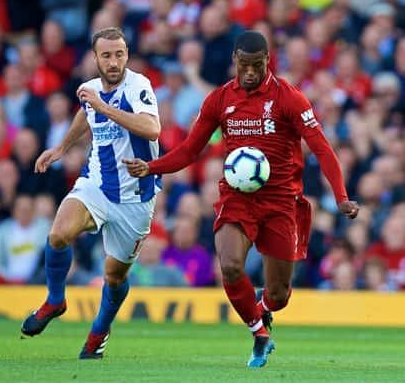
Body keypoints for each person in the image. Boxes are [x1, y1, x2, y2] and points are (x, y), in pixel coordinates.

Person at [124, 31, 359, 367]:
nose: (250, 72)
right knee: (231, 266)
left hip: (281, 201)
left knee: (279, 296)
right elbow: (190, 150)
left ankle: (264, 309)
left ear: (268, 61)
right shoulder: (219, 100)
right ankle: (260, 335)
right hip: (238, 198)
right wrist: (151, 167)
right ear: (235, 59)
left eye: (258, 65)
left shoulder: (290, 99)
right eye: (245, 65)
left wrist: (341, 197)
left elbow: (322, 148)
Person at [20, 27, 161, 360]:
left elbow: (152, 128)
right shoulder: (90, 90)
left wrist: (104, 106)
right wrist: (61, 147)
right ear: (95, 58)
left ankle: (99, 332)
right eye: (107, 55)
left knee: (114, 277)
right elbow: (87, 113)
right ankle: (55, 299)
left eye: (120, 54)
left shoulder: (138, 86)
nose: (114, 62)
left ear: (127, 55)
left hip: (135, 198)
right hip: (95, 183)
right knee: (58, 235)